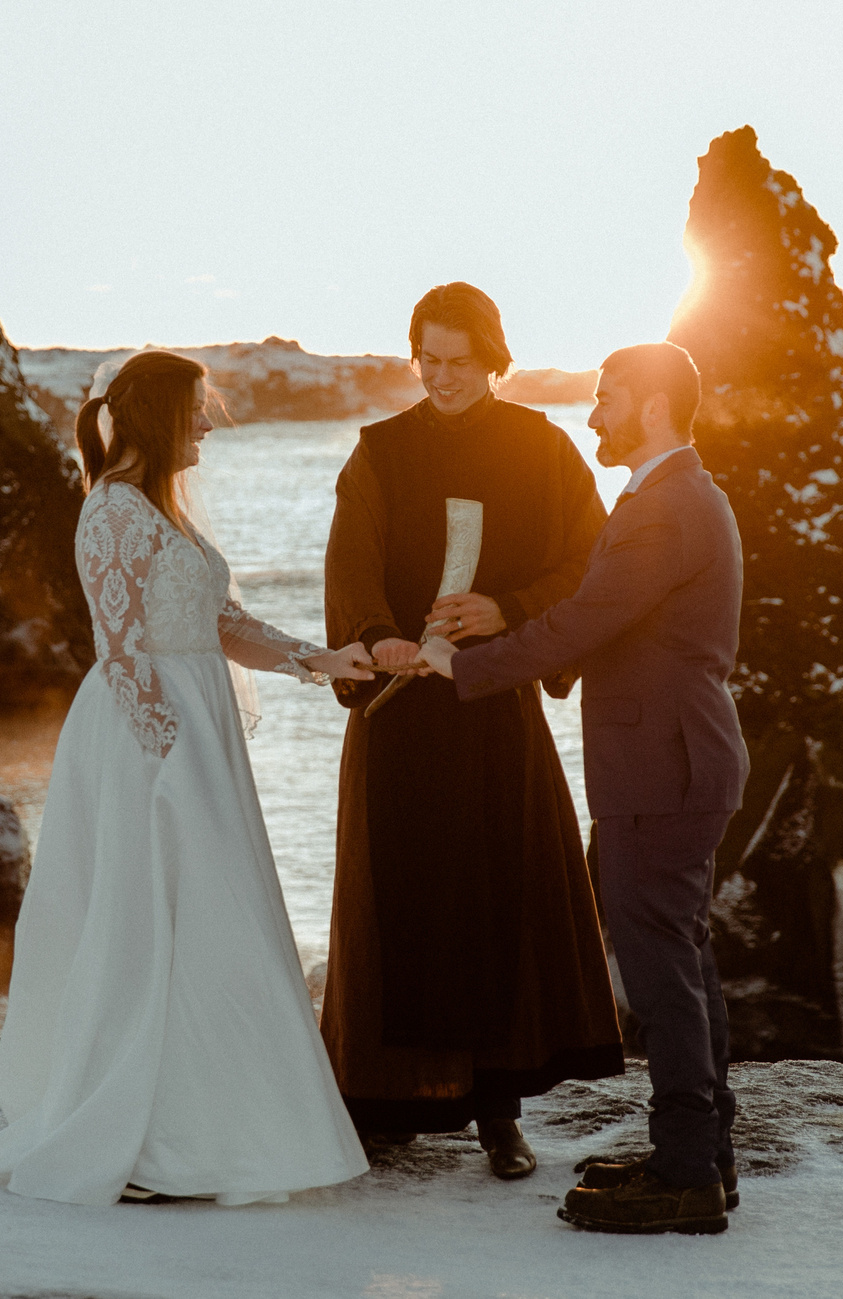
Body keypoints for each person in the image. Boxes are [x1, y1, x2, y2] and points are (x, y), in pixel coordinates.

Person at [0, 351, 377, 1206]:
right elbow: (121, 646)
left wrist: (320, 660)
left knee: (213, 920)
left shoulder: (164, 512)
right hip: (149, 736)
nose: (211, 424)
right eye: (198, 411)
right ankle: (140, 1139)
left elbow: (220, 622)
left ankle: (207, 1126)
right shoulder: (109, 511)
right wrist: (166, 750)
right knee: (145, 924)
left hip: (197, 725)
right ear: (157, 417)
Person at [420, 341, 748, 1235]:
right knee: (683, 955)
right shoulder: (672, 494)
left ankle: (686, 1174)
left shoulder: (662, 507)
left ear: (649, 406)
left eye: (607, 400)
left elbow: (581, 621)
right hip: (678, 760)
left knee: (662, 971)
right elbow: (602, 622)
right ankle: (704, 1155)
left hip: (662, 767)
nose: (593, 414)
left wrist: (461, 666)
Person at [319, 283, 624, 1181]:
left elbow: (591, 563)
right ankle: (381, 1103)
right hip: (400, 716)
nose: (443, 376)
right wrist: (381, 638)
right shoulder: (378, 452)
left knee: (499, 898)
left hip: (495, 711)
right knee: (398, 895)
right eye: (429, 358)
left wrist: (509, 607)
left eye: (460, 360)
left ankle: (499, 1112)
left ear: (495, 359)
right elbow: (353, 564)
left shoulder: (544, 448)